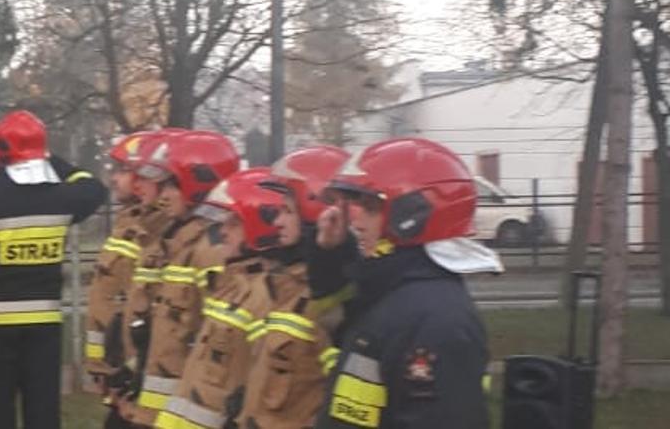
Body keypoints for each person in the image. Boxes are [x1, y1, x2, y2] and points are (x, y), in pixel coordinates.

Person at [311, 138, 499, 429]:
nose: (355, 221)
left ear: (411, 218)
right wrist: (332, 256)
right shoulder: (393, 294)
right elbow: (338, 323)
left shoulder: (437, 321)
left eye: (370, 207)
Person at [0, 110, 108, 429]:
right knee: (43, 408)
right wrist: (50, 158)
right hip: (43, 323)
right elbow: (93, 187)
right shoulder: (62, 198)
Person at [120, 130, 240, 428]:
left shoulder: (210, 252)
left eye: (172, 184)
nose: (163, 195)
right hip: (159, 406)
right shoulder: (177, 242)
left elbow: (217, 344)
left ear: (199, 186)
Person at [154, 169, 288, 429]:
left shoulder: (265, 298)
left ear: (261, 226)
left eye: (234, 223)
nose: (222, 231)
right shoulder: (233, 287)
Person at [234, 146, 351, 429]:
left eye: (287, 211)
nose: (276, 222)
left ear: (317, 211)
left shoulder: (324, 301)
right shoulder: (286, 287)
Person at [84, 131, 169, 429]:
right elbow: (109, 297)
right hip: (120, 367)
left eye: (123, 170)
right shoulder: (128, 224)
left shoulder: (157, 229)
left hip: (138, 369)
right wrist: (102, 365)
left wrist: (130, 368)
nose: (114, 178)